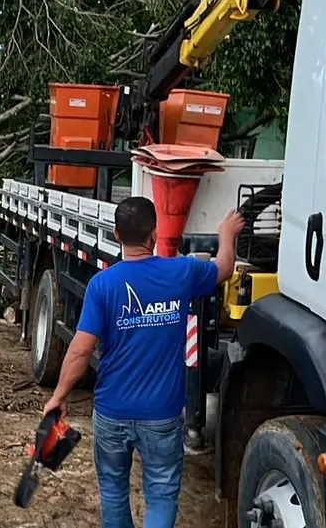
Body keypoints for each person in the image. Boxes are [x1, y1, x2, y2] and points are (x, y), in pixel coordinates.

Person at [42, 197, 245, 528]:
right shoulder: (181, 272)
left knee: (112, 492)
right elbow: (224, 268)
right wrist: (226, 233)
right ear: (155, 232)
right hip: (161, 416)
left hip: (112, 413)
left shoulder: (102, 285)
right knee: (162, 495)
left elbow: (79, 350)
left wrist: (59, 396)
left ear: (116, 234)